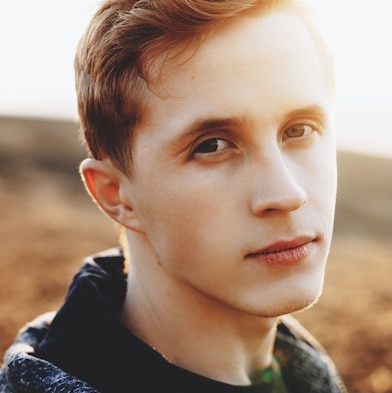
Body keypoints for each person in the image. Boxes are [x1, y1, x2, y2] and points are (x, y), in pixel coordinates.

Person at [0, 0, 345, 391]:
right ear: (116, 194)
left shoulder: (305, 375)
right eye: (212, 145)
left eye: (300, 130)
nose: (287, 193)